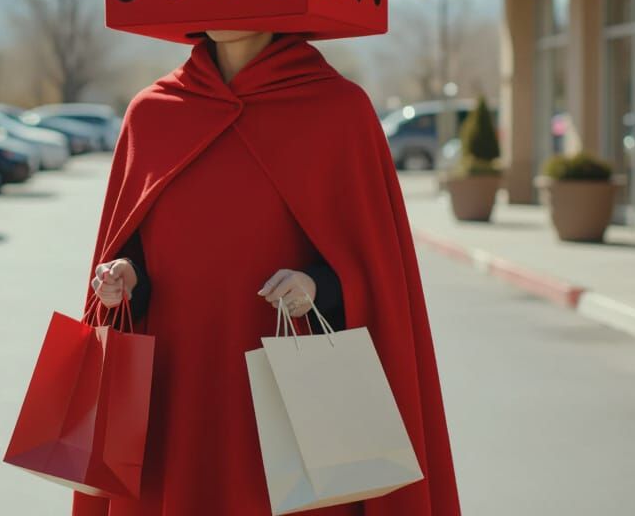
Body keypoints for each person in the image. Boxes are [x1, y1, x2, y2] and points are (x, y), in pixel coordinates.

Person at [74, 29, 460, 516]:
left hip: (296, 397)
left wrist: (317, 287)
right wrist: (125, 277)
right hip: (178, 392)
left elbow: (377, 270)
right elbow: (134, 250)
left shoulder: (339, 110)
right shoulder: (152, 112)